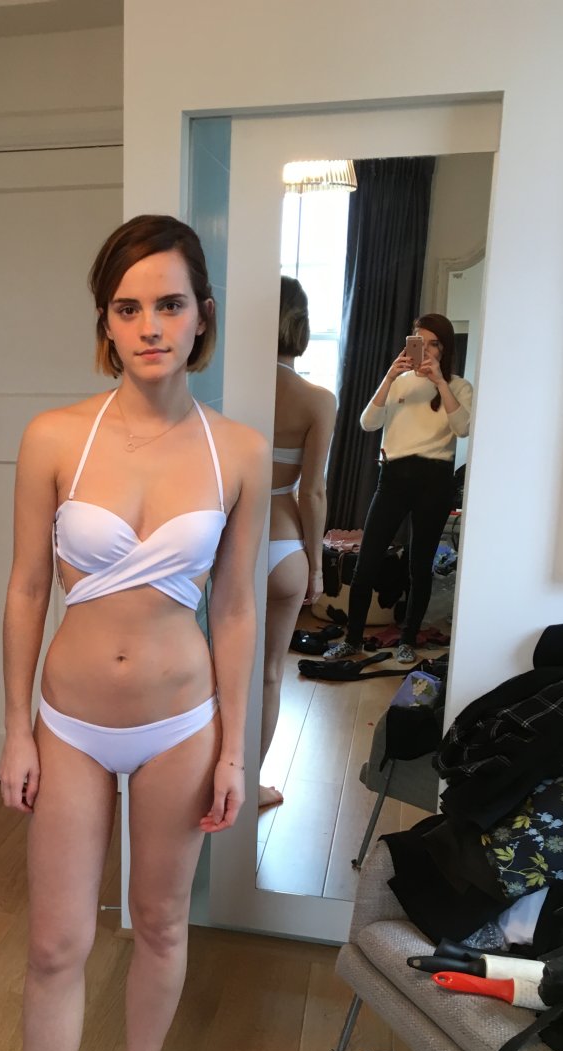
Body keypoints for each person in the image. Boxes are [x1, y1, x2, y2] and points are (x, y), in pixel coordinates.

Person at [0, 215, 269, 1051]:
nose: (149, 326)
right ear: (106, 322)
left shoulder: (238, 450)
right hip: (71, 723)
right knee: (56, 943)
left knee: (162, 925)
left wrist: (235, 749)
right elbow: (25, 588)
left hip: (181, 723)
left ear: (202, 315)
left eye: (169, 304)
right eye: (128, 308)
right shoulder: (55, 437)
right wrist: (14, 730)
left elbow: (235, 610)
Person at [325, 314, 472, 666]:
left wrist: (440, 382)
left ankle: (408, 639)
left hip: (435, 480)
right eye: (420, 342)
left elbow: (463, 428)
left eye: (434, 343)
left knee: (419, 566)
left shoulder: (458, 386)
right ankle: (353, 639)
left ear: (445, 348)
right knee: (366, 561)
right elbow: (367, 423)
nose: (427, 350)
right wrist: (389, 376)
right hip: (393, 477)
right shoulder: (399, 382)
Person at [258, 277, 336, 809]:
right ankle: (251, 786)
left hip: (223, 544)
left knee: (213, 676)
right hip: (283, 547)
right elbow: (312, 492)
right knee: (268, 676)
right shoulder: (317, 400)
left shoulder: (225, 390)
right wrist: (317, 567)